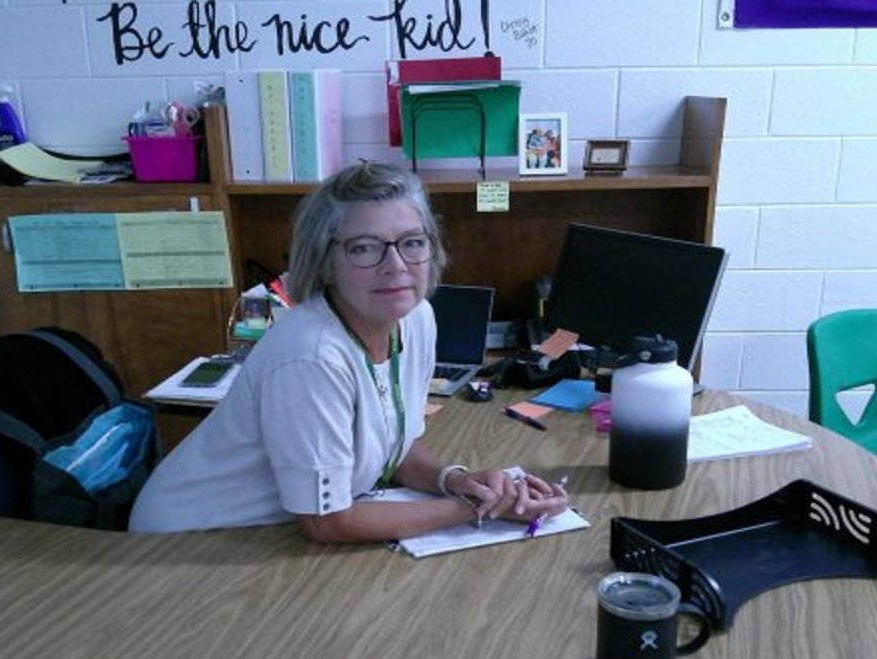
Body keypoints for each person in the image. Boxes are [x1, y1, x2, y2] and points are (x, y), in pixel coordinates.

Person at [129, 162, 569, 541]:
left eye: (412, 242)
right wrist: (479, 510)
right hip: (192, 540)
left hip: (276, 534)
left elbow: (395, 448)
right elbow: (327, 522)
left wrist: (457, 481)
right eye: (364, 248)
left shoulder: (416, 319)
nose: (395, 265)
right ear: (324, 262)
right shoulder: (312, 355)